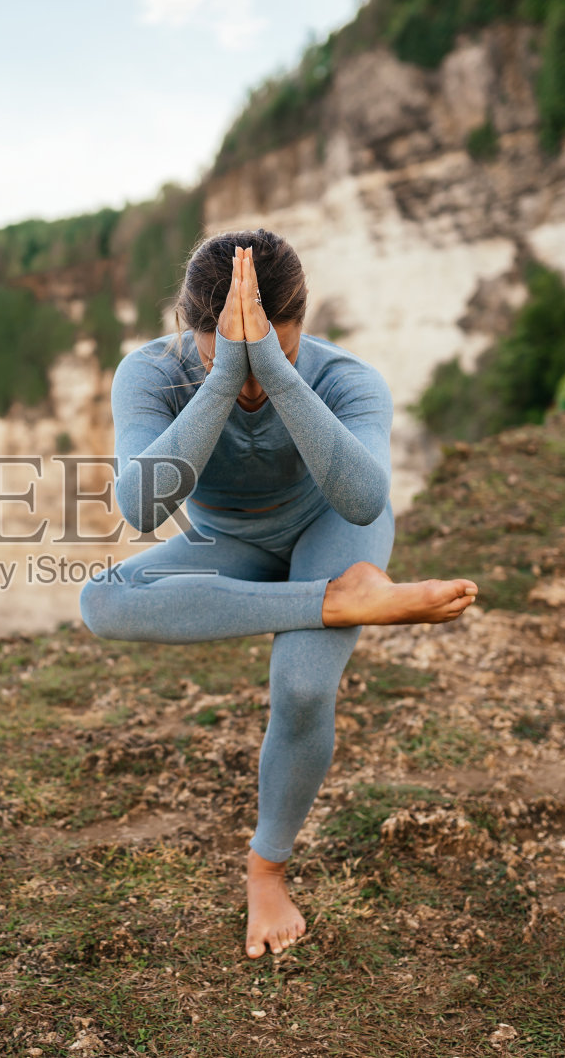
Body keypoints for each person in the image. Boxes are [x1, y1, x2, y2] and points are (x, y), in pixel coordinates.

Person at [78, 229, 479, 959]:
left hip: (331, 530)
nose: (256, 390)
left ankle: (268, 868)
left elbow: (361, 501)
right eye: (220, 360)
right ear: (189, 332)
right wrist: (222, 376)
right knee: (102, 601)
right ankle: (339, 601)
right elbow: (139, 507)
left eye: (281, 357)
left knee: (300, 685)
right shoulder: (150, 374)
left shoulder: (348, 378)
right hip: (233, 540)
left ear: (302, 328)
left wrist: (277, 368)